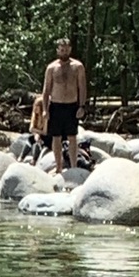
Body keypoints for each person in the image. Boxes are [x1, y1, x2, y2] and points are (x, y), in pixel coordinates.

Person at [40, 36, 86, 176]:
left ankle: (73, 166)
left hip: (72, 105)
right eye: (62, 50)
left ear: (70, 50)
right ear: (58, 50)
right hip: (56, 105)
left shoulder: (77, 67)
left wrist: (82, 106)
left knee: (72, 137)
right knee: (56, 137)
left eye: (66, 50)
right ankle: (58, 166)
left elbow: (82, 87)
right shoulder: (51, 68)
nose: (64, 52)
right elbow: (46, 90)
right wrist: (44, 109)